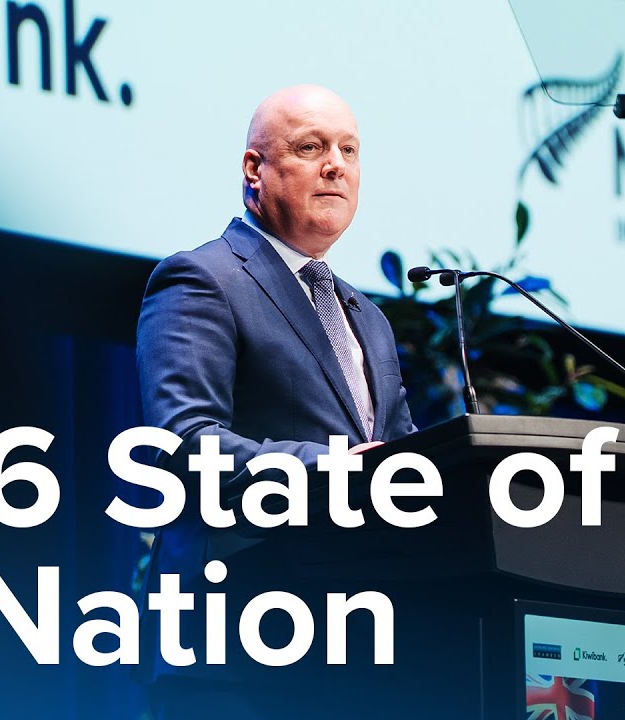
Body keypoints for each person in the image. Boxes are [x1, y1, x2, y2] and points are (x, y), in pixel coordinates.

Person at [134, 85, 416, 719]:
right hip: (231, 641)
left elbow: (398, 459)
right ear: (254, 169)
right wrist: (331, 467)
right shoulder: (202, 278)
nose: (336, 165)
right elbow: (183, 443)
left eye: (349, 150)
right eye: (312, 147)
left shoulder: (367, 318)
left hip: (349, 649)